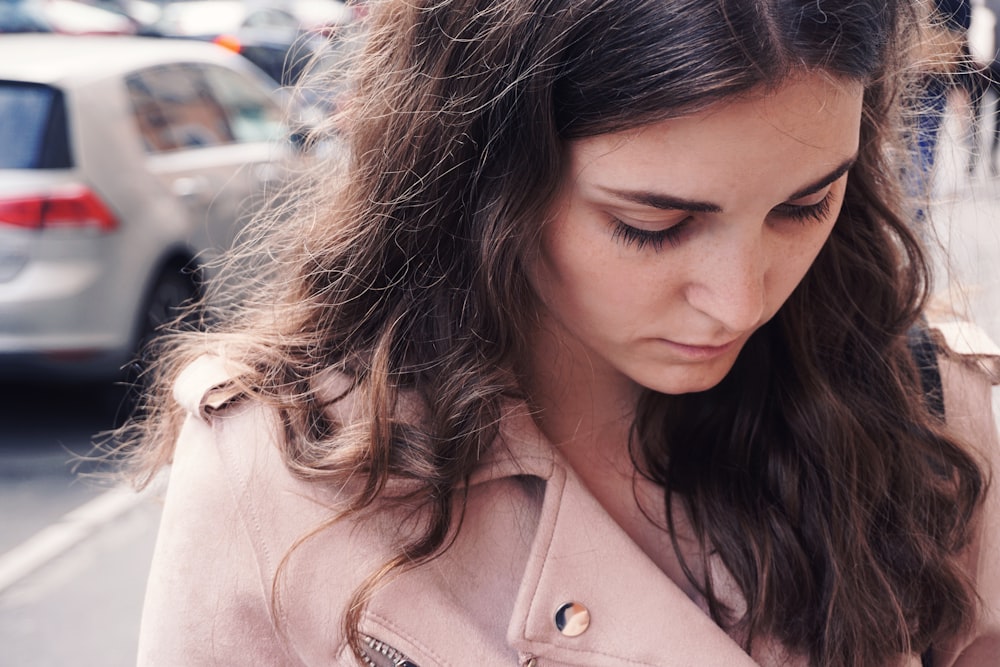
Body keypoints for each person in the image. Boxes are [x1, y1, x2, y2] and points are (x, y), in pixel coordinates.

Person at [123, 1, 1000, 665]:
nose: (739, 301)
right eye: (654, 225)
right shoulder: (279, 468)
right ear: (482, 162)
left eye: (805, 205)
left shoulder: (925, 411)